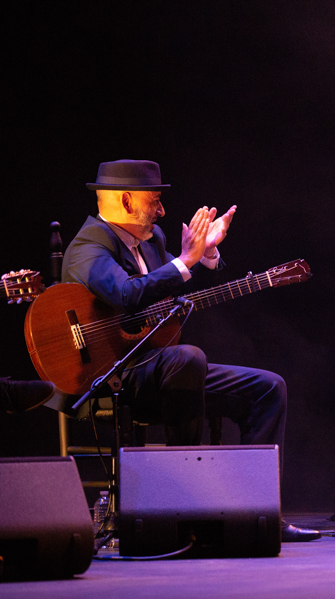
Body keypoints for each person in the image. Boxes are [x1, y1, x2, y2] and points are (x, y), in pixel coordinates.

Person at [62, 159, 318, 541]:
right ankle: (187, 507)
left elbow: (174, 279)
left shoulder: (151, 240)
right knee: (188, 357)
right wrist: (186, 260)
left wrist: (207, 253)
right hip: (117, 375)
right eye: (155, 201)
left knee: (268, 388)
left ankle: (258, 514)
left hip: (164, 370)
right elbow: (127, 294)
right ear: (127, 200)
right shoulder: (90, 244)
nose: (162, 211)